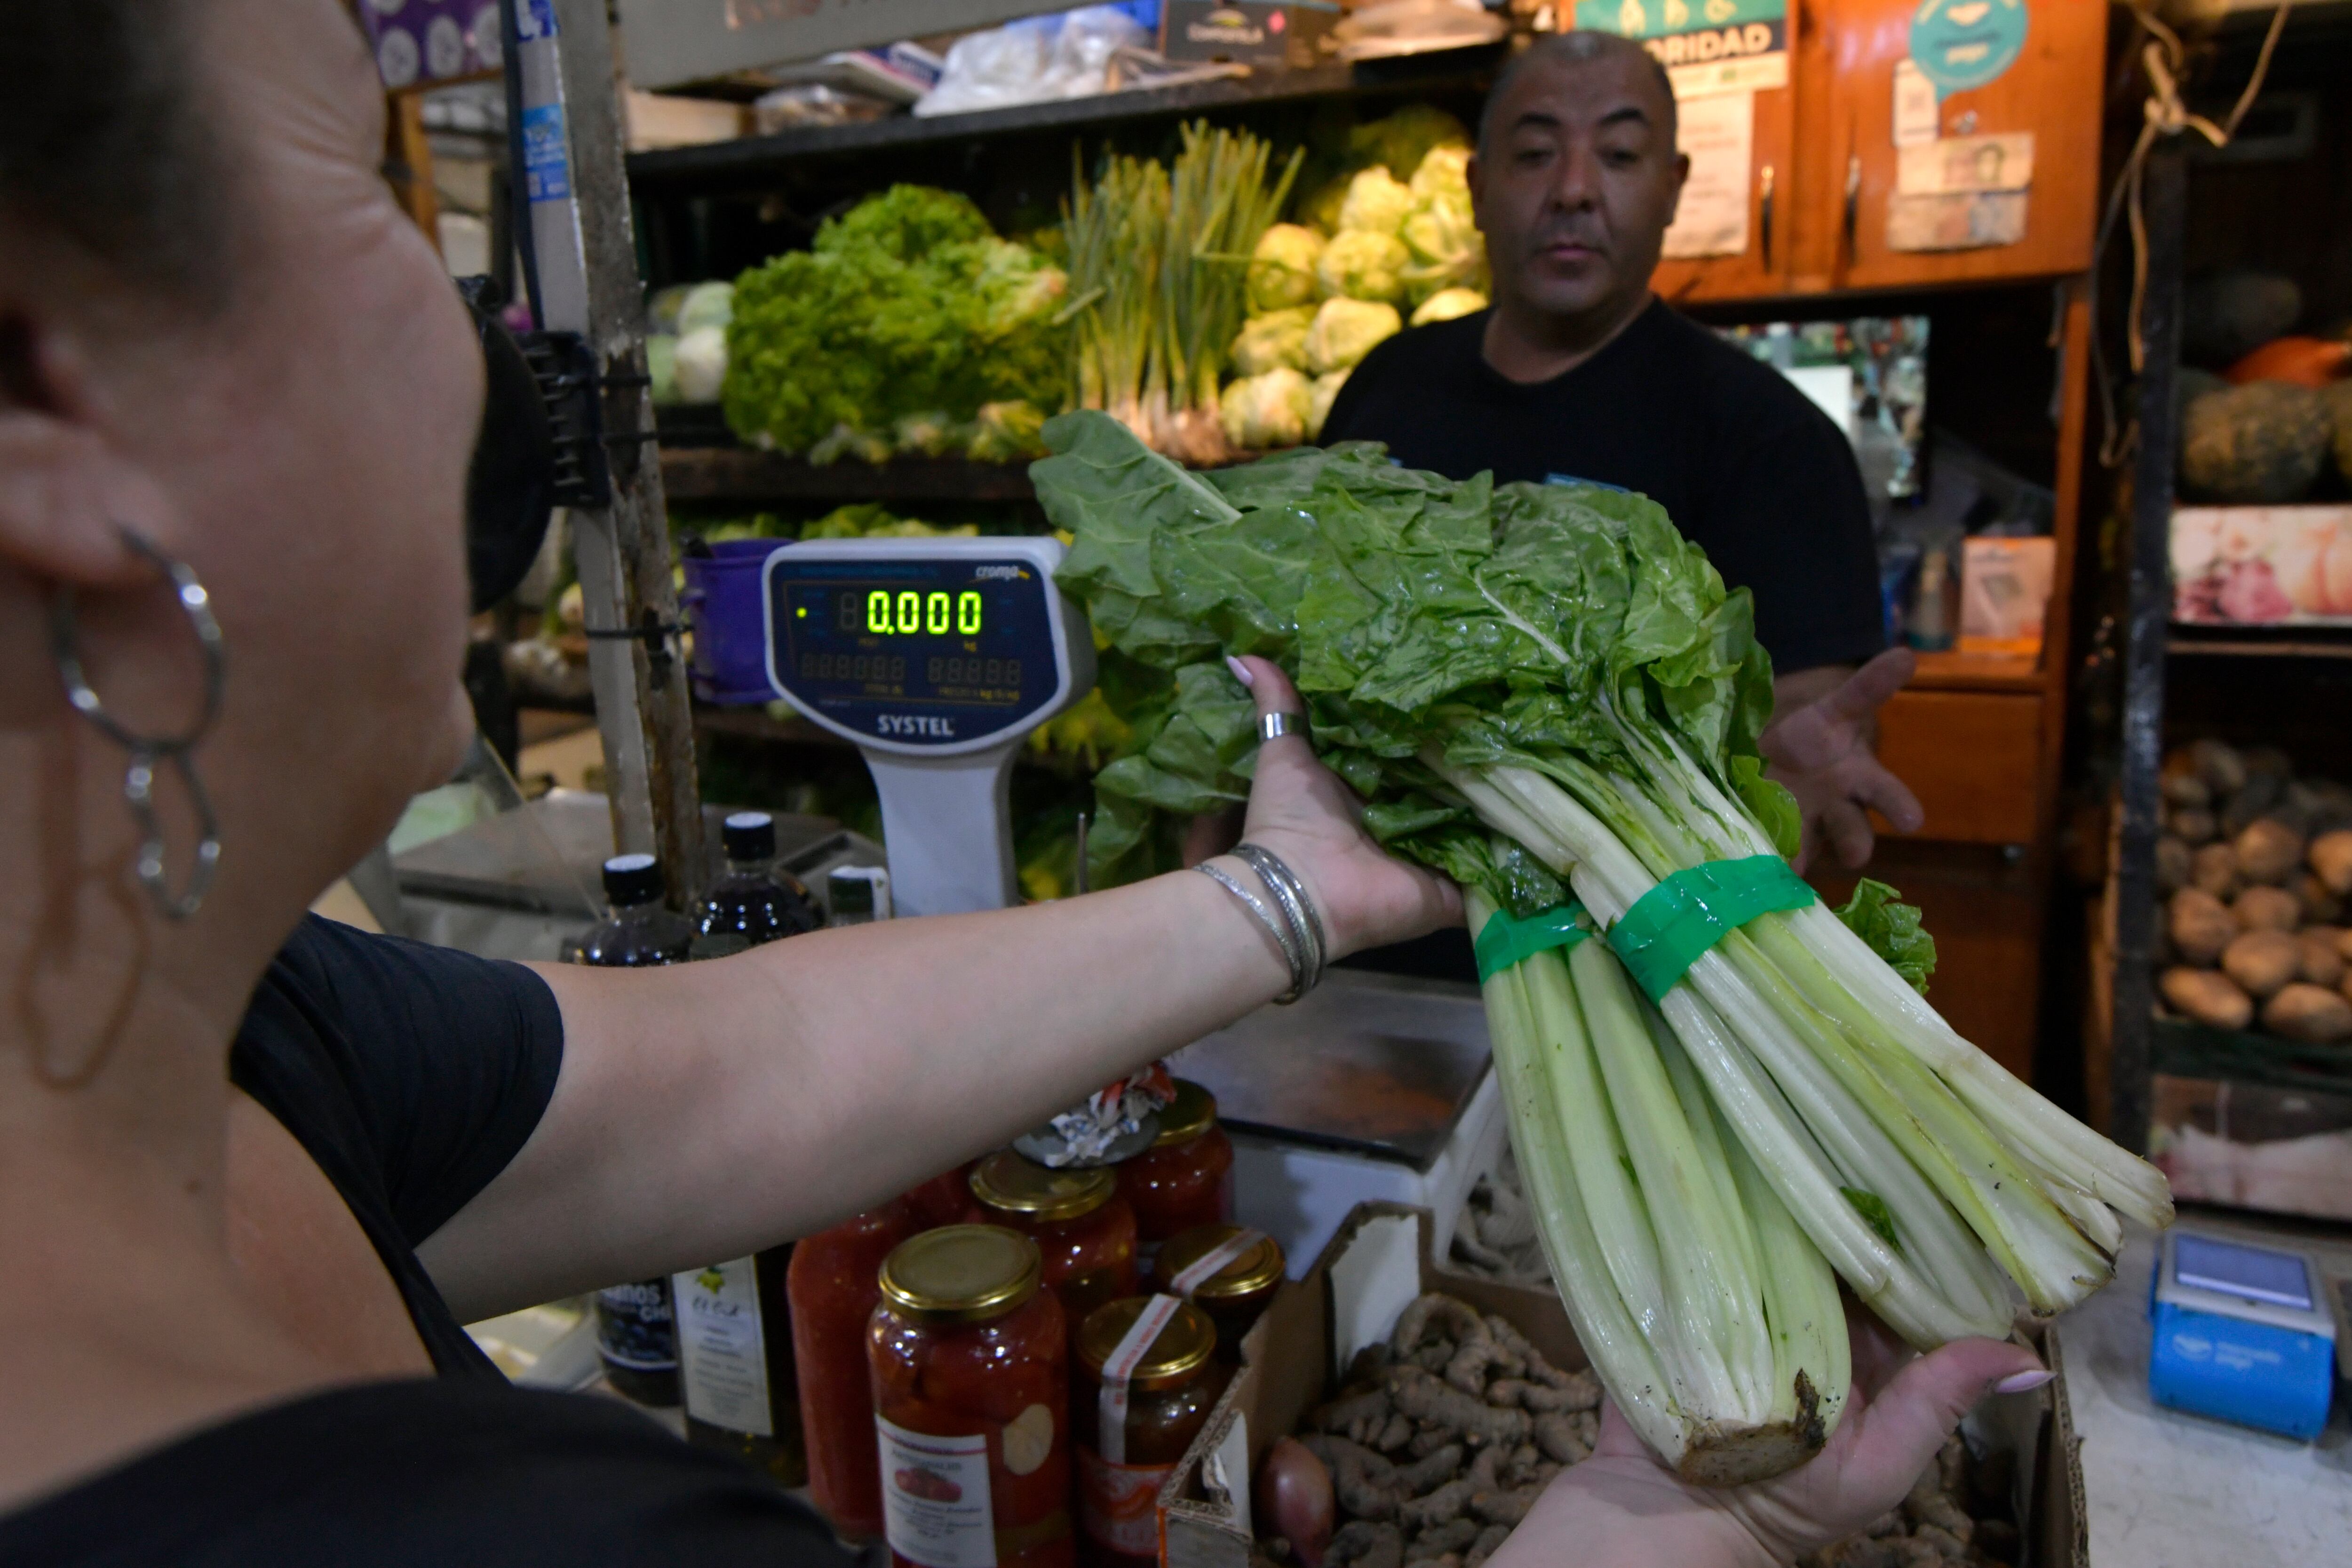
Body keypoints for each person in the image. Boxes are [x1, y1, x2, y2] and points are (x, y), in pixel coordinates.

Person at [0, 3, 2045, 1564]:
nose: (485, 345)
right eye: (374, 187)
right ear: (45, 404)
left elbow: (696, 1076)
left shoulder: (251, 1043)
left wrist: (1282, 896)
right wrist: (1670, 1517)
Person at [1321, 30, 1925, 876]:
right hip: (1361, 933)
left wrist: (1782, 773)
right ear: (1478, 187)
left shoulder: (1768, 437)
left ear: (1673, 187)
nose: (1573, 189)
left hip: (1620, 971)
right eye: (1534, 153)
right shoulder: (1385, 386)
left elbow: (1805, 709)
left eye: (1619, 153)